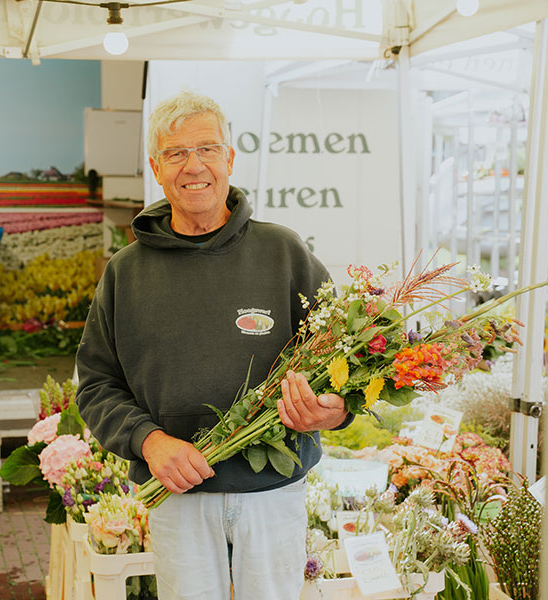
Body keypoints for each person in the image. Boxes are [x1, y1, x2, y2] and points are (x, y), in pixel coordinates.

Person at [76, 90, 351, 600]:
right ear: (157, 168)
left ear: (229, 158)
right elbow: (95, 385)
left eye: (206, 148)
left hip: (273, 490)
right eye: (176, 153)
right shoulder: (125, 273)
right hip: (178, 496)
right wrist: (149, 442)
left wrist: (331, 412)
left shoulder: (283, 252)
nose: (193, 165)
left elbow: (345, 365)